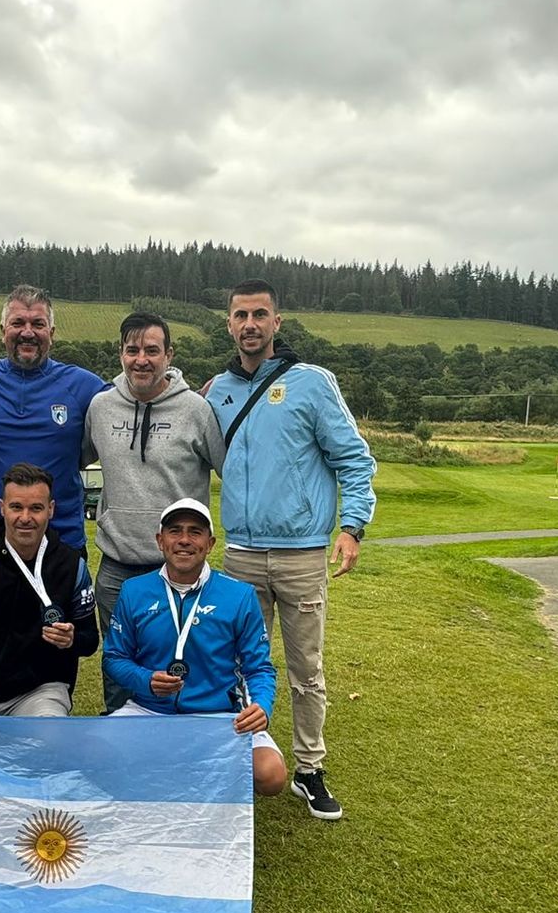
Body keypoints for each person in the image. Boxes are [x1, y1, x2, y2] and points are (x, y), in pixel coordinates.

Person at [205, 279, 376, 820]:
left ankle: (308, 769)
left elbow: (354, 459)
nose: (250, 324)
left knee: (306, 668)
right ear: (228, 324)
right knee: (235, 665)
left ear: (277, 322)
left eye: (260, 314)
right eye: (240, 315)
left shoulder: (312, 383)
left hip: (302, 551)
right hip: (240, 553)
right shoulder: (217, 392)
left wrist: (352, 527)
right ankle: (244, 758)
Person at [82, 312, 225, 712]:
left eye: (151, 350)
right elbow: (71, 459)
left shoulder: (195, 409)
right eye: (132, 350)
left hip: (179, 569)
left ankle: (177, 752)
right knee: (119, 666)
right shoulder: (101, 407)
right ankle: (120, 744)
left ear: (169, 355)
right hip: (116, 567)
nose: (141, 359)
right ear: (121, 354)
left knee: (181, 665)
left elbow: (231, 469)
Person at [103, 499, 286, 796]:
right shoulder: (134, 591)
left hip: (217, 714)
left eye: (195, 532)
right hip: (149, 710)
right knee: (96, 754)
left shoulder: (239, 595)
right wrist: (146, 680)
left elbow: (259, 667)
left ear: (210, 543)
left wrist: (261, 706)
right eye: (175, 531)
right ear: (160, 541)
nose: (184, 540)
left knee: (270, 775)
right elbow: (114, 658)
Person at [0, 285, 108, 552]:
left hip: (62, 543)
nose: (28, 332)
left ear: (51, 333)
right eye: (18, 323)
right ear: (2, 331)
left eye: (38, 324)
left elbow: (136, 400)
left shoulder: (81, 385)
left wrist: (189, 392)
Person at [0, 463, 98, 716]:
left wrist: (71, 639)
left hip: (38, 693)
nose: (25, 518)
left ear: (51, 510)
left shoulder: (71, 565)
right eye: (16, 507)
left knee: (50, 739)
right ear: (2, 508)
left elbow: (90, 640)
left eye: (36, 508)